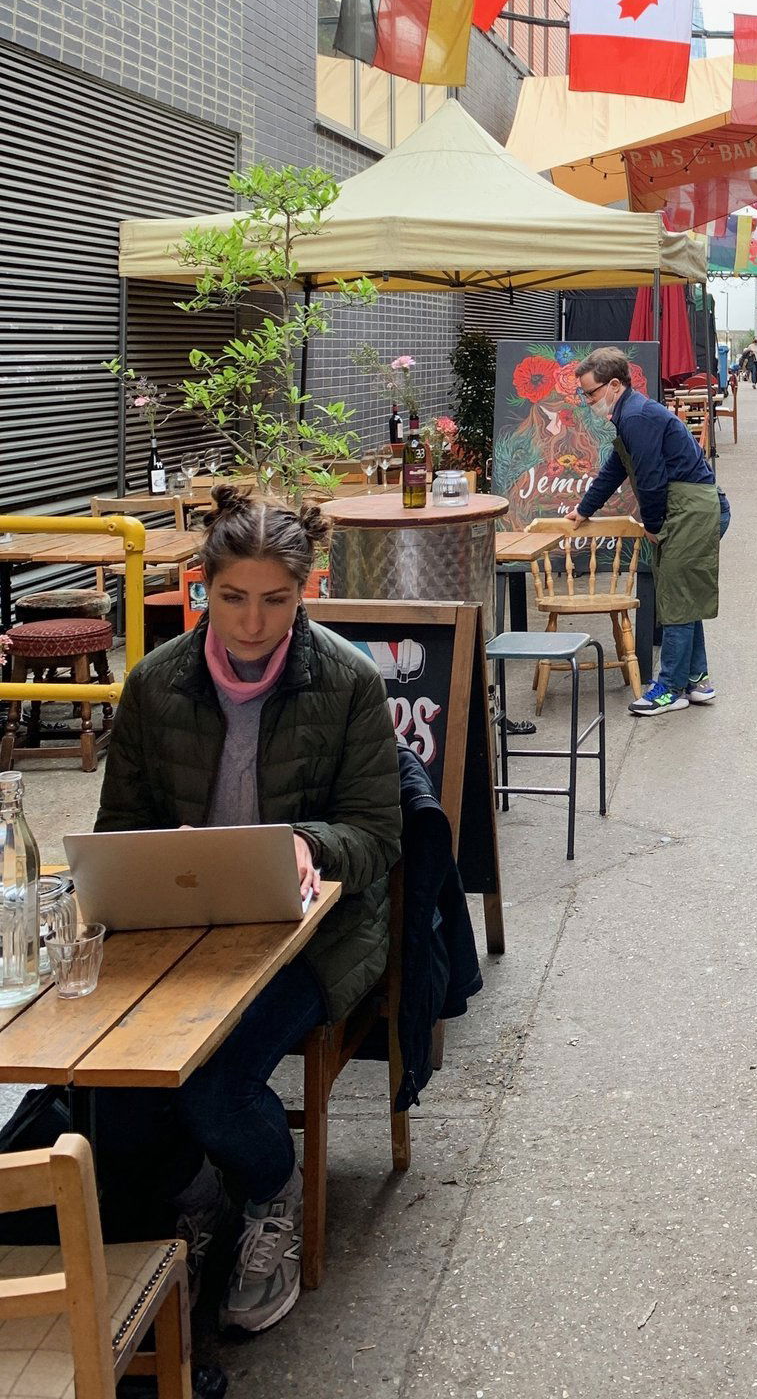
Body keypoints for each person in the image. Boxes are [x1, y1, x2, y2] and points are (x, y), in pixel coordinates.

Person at [95, 487, 401, 1334]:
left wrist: (309, 843)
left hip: (314, 936)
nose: (253, 622)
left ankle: (269, 1196)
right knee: (113, 1091)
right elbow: (118, 829)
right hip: (180, 928)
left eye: (276, 600)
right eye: (233, 598)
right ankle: (196, 1196)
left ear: (306, 592)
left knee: (219, 1090)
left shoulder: (347, 680)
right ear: (202, 586)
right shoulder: (156, 682)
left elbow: (378, 833)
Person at [568, 348, 730, 717]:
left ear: (613, 385)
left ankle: (669, 689)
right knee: (684, 594)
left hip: (692, 510)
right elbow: (616, 469)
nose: (587, 400)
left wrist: (654, 526)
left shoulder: (636, 415)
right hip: (695, 507)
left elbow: (652, 480)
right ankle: (696, 679)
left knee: (675, 598)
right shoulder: (632, 412)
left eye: (590, 393)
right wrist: (585, 508)